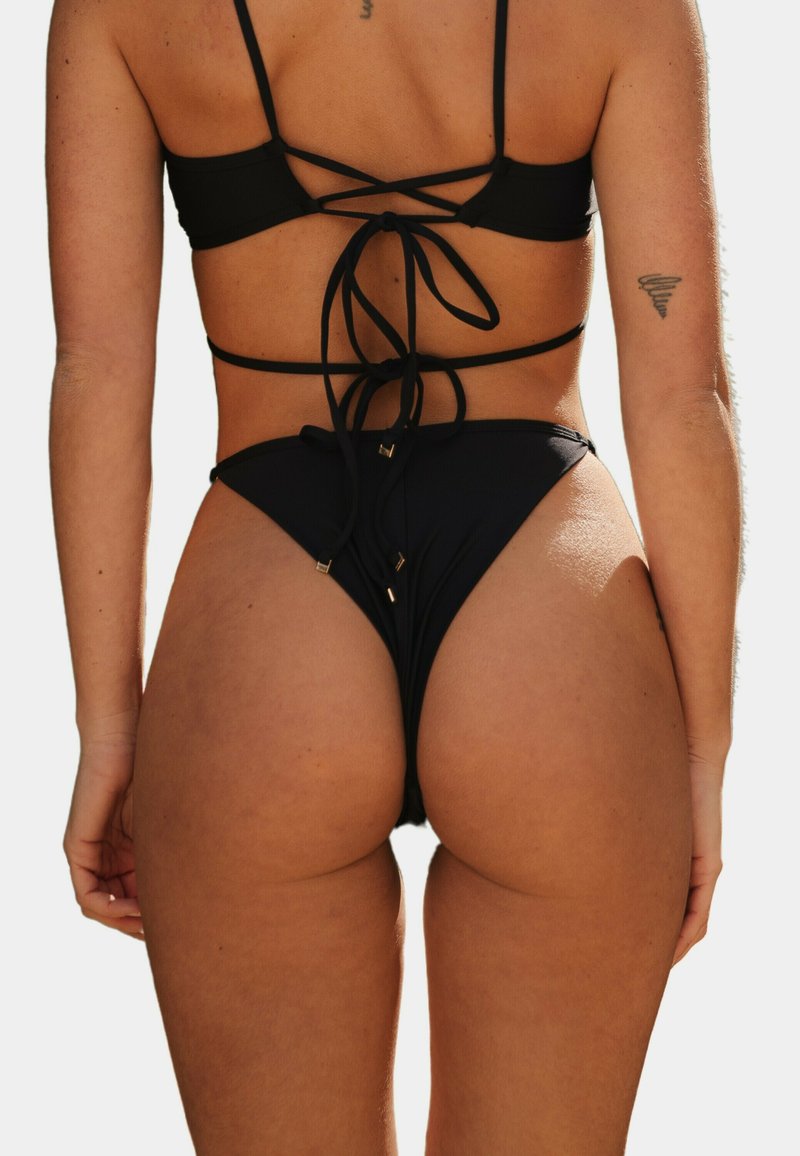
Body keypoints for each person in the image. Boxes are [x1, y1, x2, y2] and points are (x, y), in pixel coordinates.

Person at [47, 0, 742, 1151]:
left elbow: (98, 370)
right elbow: (683, 393)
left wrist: (109, 727)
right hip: (545, 614)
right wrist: (699, 753)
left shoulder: (119, 13)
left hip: (272, 616)